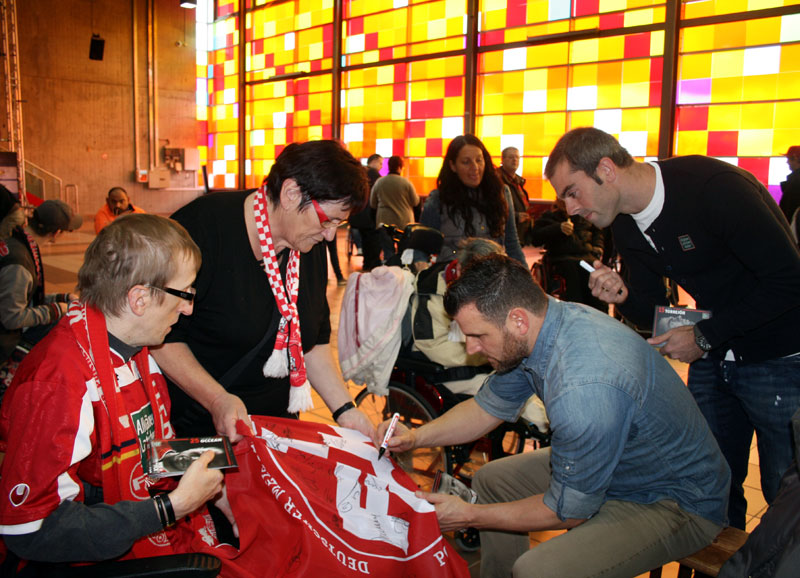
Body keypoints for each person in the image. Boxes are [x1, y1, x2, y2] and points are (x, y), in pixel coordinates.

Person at [382, 254, 730, 578]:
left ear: (517, 320)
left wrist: (469, 515)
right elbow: (485, 408)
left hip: (674, 500)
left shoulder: (583, 387)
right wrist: (415, 437)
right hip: (623, 461)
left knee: (538, 569)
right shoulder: (544, 325)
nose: (470, 347)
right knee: (492, 480)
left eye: (477, 336)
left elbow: (568, 511)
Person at [544, 126, 800, 530]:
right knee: (712, 486)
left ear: (606, 169)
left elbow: (788, 281)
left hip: (779, 360)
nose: (570, 209)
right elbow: (656, 316)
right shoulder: (625, 226)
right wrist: (624, 296)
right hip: (716, 361)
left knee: (786, 497)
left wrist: (703, 336)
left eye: (573, 192)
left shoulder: (713, 188)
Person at [0, 214, 235, 566]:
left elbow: (146, 450)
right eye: (185, 293)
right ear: (139, 298)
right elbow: (31, 529)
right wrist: (172, 507)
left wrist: (217, 466)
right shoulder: (61, 380)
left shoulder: (136, 348)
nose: (188, 308)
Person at [154, 140, 377, 443]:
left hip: (274, 427)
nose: (329, 235)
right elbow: (162, 337)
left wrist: (345, 411)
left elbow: (312, 341)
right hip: (201, 424)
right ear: (291, 194)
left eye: (339, 223)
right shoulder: (202, 230)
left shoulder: (306, 246)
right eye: (328, 220)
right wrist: (217, 399)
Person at [418, 135, 526, 266]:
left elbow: (512, 243)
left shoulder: (501, 193)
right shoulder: (438, 199)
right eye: (466, 162)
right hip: (452, 278)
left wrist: (527, 281)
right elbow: (422, 247)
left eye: (479, 160)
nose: (475, 167)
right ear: (453, 165)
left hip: (493, 276)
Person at [0, 200, 81, 368]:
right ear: (57, 233)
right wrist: (57, 310)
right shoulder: (19, 263)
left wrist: (62, 298)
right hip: (5, 343)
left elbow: (26, 297)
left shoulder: (17, 240)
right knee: (63, 324)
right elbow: (12, 318)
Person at [529, 199, 607, 311]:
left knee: (594, 272)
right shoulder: (550, 217)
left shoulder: (585, 216)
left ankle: (600, 312)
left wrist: (598, 246)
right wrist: (558, 228)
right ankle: (577, 310)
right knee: (572, 273)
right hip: (561, 258)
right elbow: (536, 238)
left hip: (586, 256)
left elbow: (597, 233)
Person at [371, 155, 419, 262]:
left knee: (388, 253)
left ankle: (389, 271)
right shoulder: (406, 183)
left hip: (383, 222)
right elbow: (415, 202)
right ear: (400, 167)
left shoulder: (380, 182)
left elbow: (372, 203)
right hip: (404, 222)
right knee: (403, 253)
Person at [349, 154, 383, 271]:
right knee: (373, 240)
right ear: (373, 161)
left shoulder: (359, 173)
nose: (381, 166)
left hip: (358, 213)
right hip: (370, 214)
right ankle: (373, 264)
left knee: (365, 239)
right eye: (380, 163)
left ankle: (367, 263)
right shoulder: (375, 176)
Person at [496, 147, 531, 245]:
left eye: (517, 157)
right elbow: (494, 207)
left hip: (519, 232)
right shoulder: (497, 180)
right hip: (504, 234)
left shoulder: (518, 181)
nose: (515, 160)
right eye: (511, 157)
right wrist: (516, 216)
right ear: (502, 160)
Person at [779, 146, 800, 230]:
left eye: (788, 159)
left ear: (795, 157)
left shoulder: (795, 181)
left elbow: (788, 208)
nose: (787, 162)